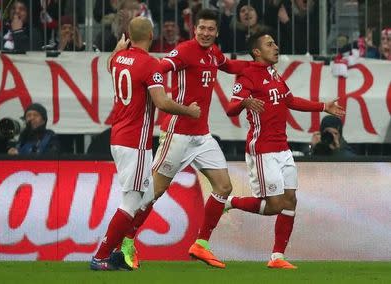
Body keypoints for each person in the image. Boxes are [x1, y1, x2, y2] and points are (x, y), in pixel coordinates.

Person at [126, 9, 250, 269]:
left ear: (216, 32)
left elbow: (228, 66)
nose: (205, 33)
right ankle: (126, 240)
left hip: (202, 136)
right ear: (195, 30)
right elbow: (158, 67)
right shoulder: (184, 51)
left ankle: (200, 244)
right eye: (201, 28)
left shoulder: (214, 52)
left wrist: (257, 66)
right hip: (177, 133)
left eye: (210, 29)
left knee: (224, 187)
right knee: (155, 191)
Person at [224, 31, 345, 269]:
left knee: (291, 201)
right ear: (257, 52)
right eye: (270, 44)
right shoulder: (247, 75)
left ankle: (277, 257)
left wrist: (323, 106)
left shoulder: (274, 73)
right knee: (274, 205)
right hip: (263, 150)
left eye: (275, 43)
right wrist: (244, 103)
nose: (276, 47)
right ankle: (231, 202)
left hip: (283, 148)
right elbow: (230, 108)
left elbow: (290, 100)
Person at [90, 16, 201, 271]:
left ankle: (117, 249)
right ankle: (103, 255)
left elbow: (109, 64)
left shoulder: (118, 58)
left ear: (128, 36)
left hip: (118, 137)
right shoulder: (150, 65)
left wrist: (118, 49)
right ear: (152, 36)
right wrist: (188, 111)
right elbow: (161, 102)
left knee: (148, 196)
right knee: (131, 202)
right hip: (135, 142)